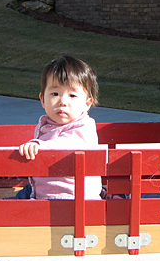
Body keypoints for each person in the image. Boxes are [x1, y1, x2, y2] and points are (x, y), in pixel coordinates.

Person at [15, 55, 102, 200]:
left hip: (73, 199)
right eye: (55, 94)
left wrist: (38, 145)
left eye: (72, 95)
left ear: (87, 103)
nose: (62, 101)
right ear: (42, 99)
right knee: (17, 198)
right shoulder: (46, 125)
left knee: (13, 208)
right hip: (43, 194)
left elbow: (66, 145)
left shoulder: (84, 127)